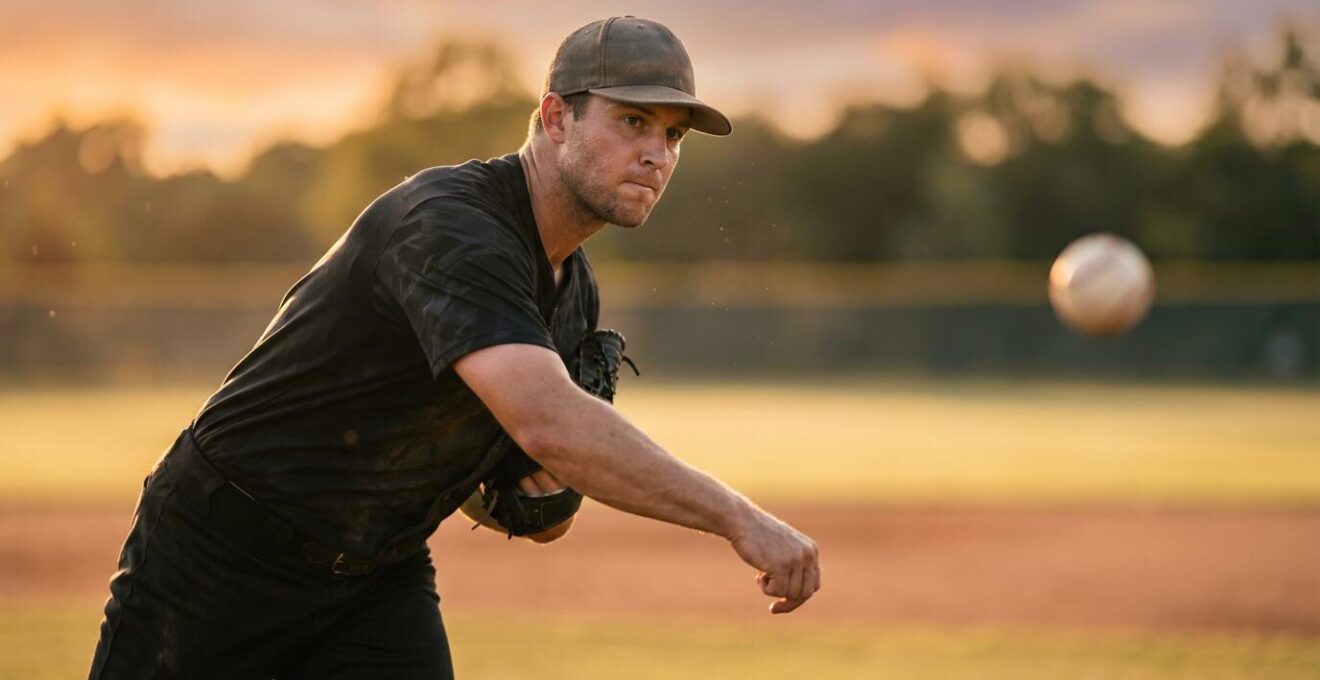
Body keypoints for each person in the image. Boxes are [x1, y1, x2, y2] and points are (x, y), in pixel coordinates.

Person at [89, 16, 820, 680]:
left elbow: (549, 506)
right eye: (633, 120)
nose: (655, 153)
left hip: (380, 571)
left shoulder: (574, 290)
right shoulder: (450, 226)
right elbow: (548, 422)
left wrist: (540, 491)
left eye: (672, 135)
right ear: (555, 117)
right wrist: (739, 518)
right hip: (221, 556)